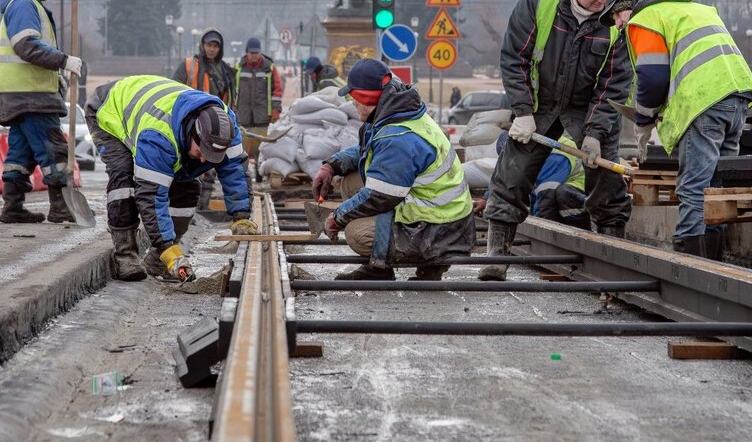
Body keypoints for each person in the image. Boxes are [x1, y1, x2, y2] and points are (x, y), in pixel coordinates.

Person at [479, 0, 633, 281]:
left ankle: (614, 260)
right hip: (540, 103)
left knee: (607, 180)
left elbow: (615, 83)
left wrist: (595, 132)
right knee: (511, 174)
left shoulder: (617, 17)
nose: (601, 0)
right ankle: (496, 256)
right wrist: (522, 111)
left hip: (588, 107)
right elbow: (515, 58)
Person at [599, 0, 752, 260]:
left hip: (704, 101)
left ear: (628, 7)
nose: (618, 24)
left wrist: (643, 121)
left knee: (693, 186)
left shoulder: (644, 18)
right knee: (716, 187)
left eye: (616, 16)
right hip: (738, 96)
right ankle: (714, 262)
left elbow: (652, 77)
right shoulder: (695, 9)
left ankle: (689, 261)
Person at [311, 58, 474, 281]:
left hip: (440, 229)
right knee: (350, 181)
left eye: (354, 97)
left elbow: (380, 196)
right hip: (433, 209)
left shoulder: (398, 136)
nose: (352, 102)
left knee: (355, 232)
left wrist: (337, 217)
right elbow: (370, 150)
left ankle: (429, 263)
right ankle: (379, 268)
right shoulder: (395, 113)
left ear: (367, 97)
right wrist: (331, 166)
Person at [85, 75, 256, 282]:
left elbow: (234, 170)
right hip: (109, 109)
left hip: (154, 106)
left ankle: (157, 262)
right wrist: (167, 248)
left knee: (187, 187)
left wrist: (241, 216)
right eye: (202, 152)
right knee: (124, 178)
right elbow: (151, 198)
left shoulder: (226, 127)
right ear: (193, 134)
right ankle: (125, 254)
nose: (204, 160)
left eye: (212, 156)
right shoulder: (157, 137)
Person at [0, 0, 83, 224]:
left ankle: (12, 207)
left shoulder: (24, 4)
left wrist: (56, 78)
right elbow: (26, 46)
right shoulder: (25, 4)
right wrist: (63, 60)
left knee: (21, 152)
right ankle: (60, 206)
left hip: (19, 93)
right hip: (31, 94)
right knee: (54, 148)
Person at [476, 131, 588, 229]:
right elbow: (504, 178)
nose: (512, 164)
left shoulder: (555, 155)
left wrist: (540, 230)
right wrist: (487, 199)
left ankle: (575, 231)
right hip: (548, 195)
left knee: (560, 195)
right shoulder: (524, 151)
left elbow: (546, 197)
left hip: (576, 197)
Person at [234, 36, 283, 159]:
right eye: (252, 53)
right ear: (247, 52)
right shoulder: (238, 68)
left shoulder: (269, 68)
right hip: (243, 116)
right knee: (242, 147)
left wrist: (276, 110)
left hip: (263, 116)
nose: (254, 56)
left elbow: (277, 90)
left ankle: (258, 166)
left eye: (256, 53)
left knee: (261, 147)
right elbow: (233, 91)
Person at [173, 28, 235, 106]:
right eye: (209, 45)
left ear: (220, 48)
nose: (212, 49)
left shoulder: (226, 70)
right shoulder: (189, 65)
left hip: (219, 111)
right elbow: (174, 88)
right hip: (194, 110)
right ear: (202, 45)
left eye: (215, 46)